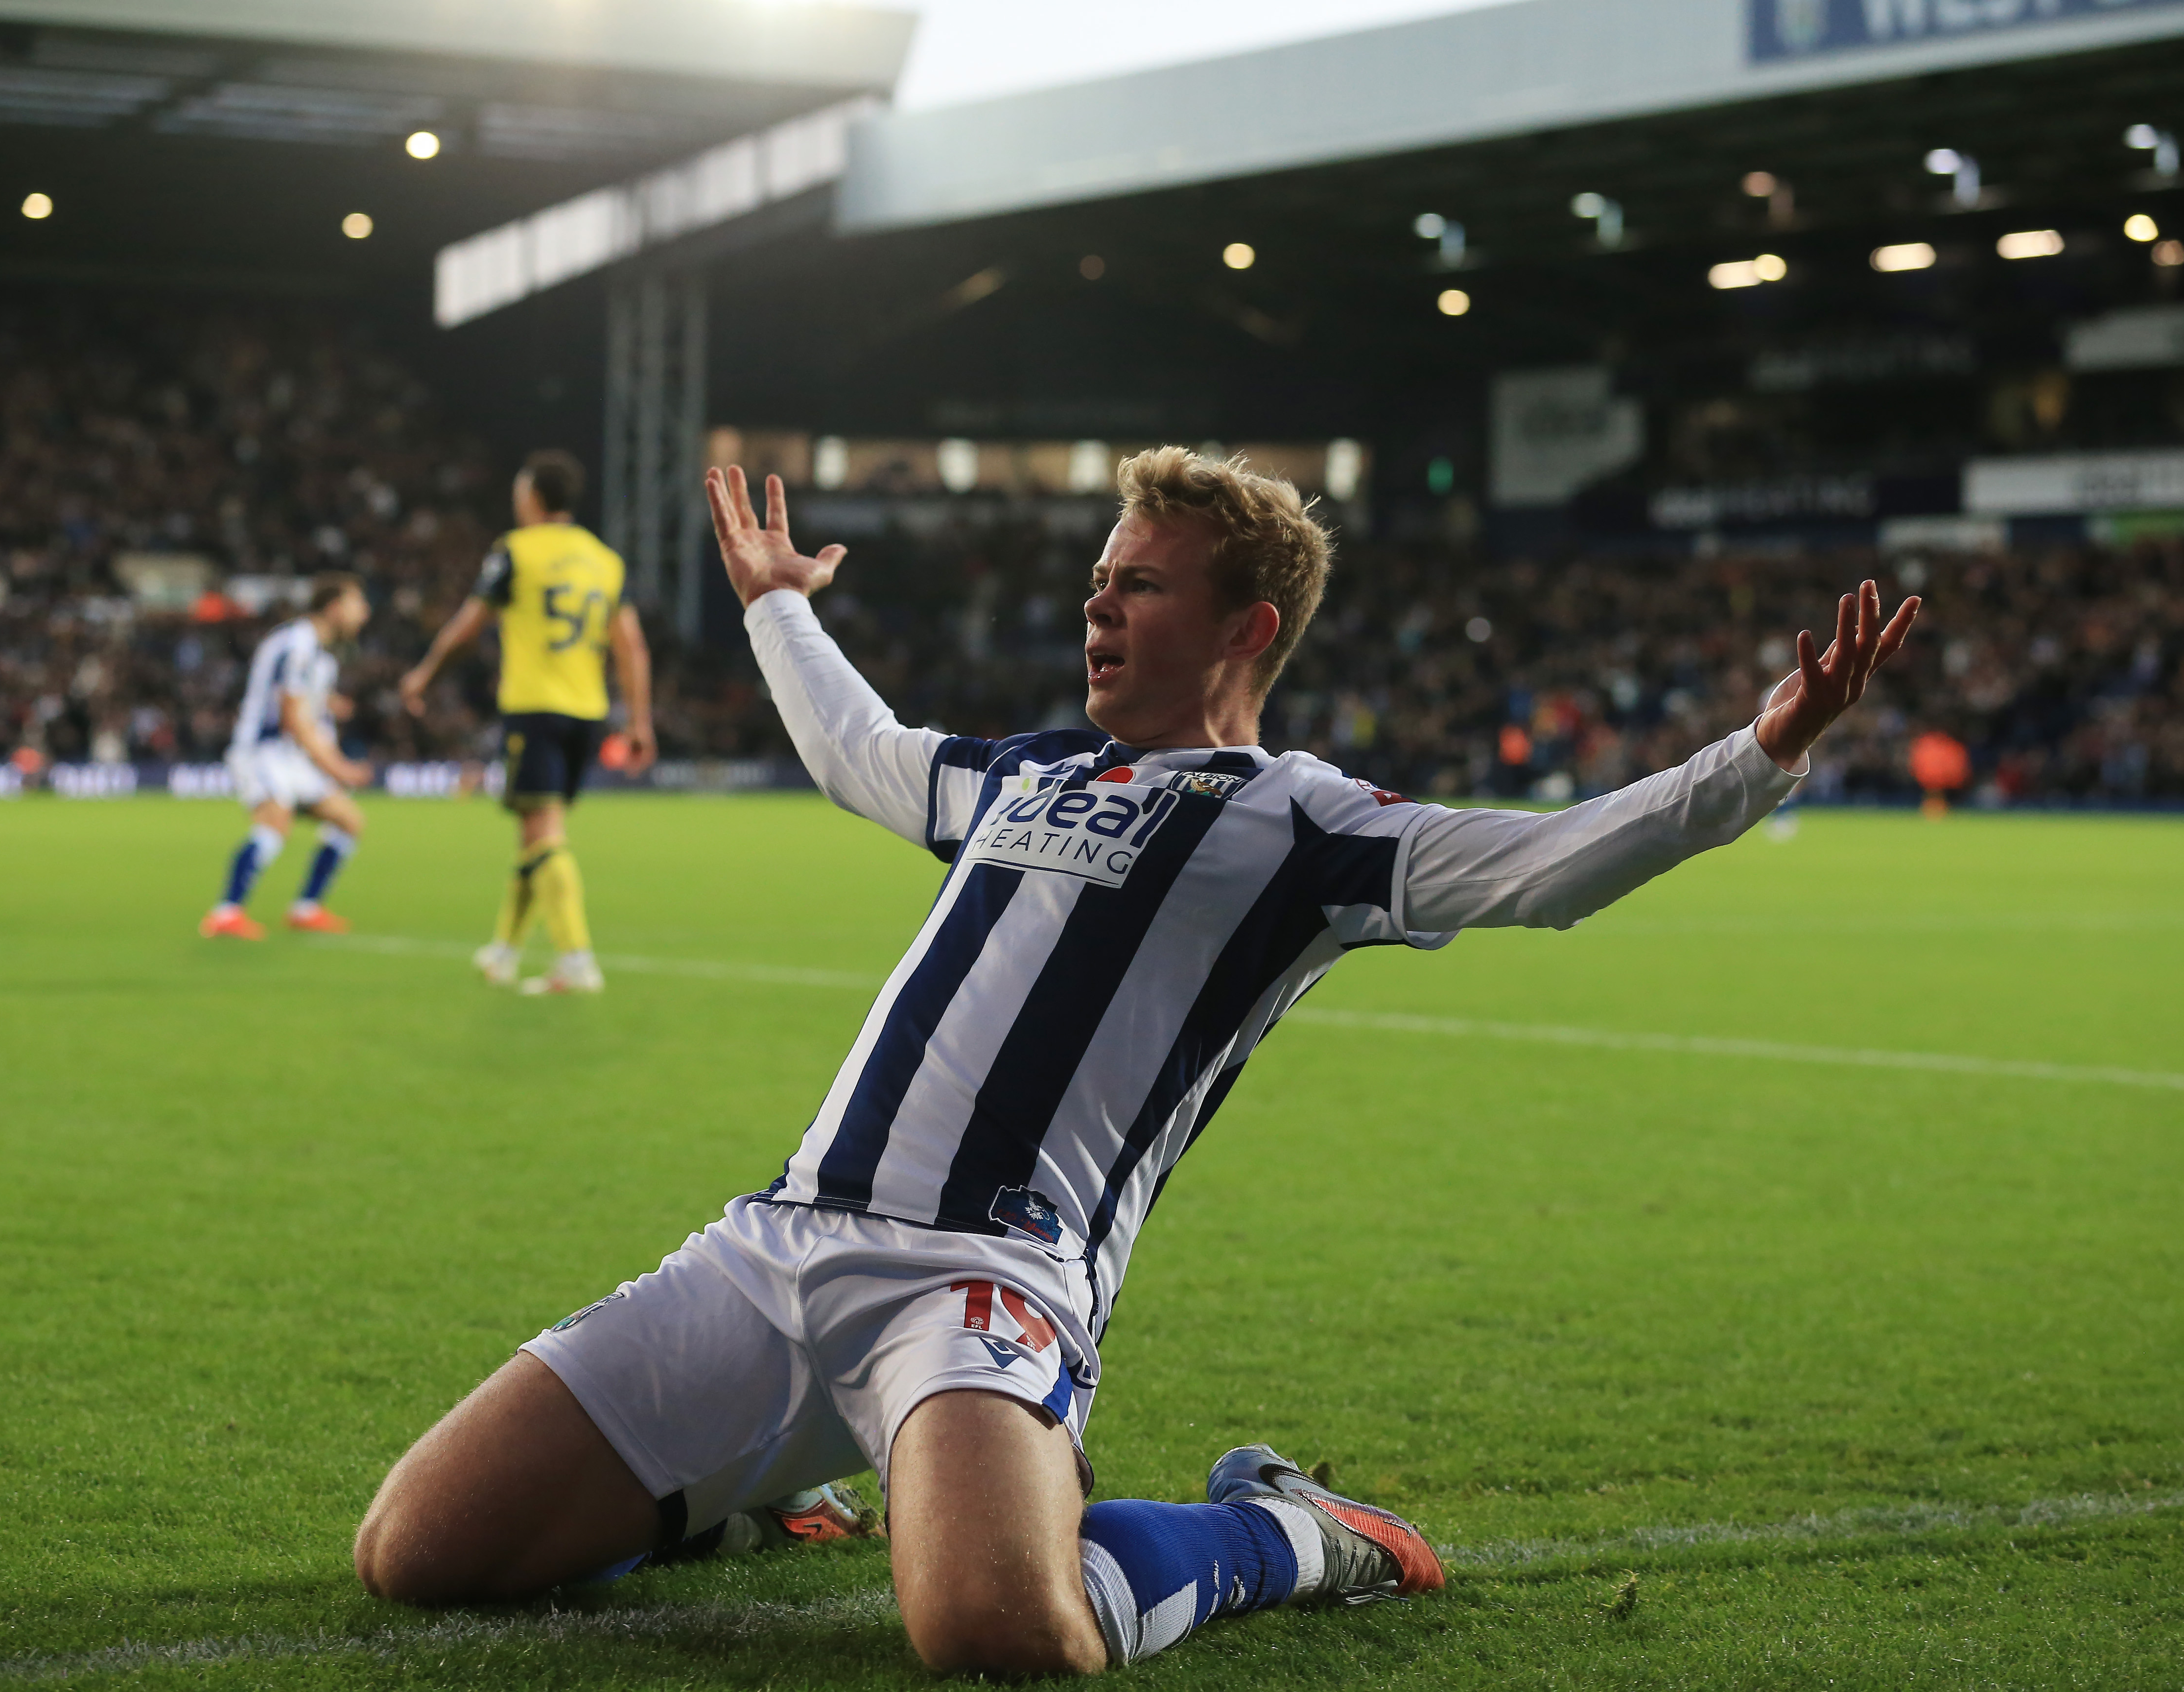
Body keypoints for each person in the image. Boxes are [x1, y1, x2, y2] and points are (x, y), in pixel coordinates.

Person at [352, 449, 1919, 1675]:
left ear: (1248, 628)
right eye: (1101, 582)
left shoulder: (1307, 826)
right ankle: (741, 1483)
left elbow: (1549, 866)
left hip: (987, 1280)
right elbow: (856, 751)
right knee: (415, 1553)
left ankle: (1278, 1530)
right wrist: (777, 601)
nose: (1098, 609)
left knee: (1004, 1635)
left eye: (1141, 588)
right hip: (780, 1243)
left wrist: (1760, 755)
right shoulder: (1023, 772)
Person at [399, 450, 655, 996]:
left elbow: (468, 628)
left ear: (532, 496)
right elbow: (630, 645)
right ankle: (505, 952)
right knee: (534, 836)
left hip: (536, 706)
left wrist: (423, 675)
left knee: (544, 835)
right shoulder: (604, 560)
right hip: (588, 712)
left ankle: (576, 960)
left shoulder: (515, 551)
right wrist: (639, 721)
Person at [200, 572, 374, 940]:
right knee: (274, 824)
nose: (365, 613)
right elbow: (292, 718)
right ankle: (226, 913)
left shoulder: (319, 653)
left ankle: (306, 909)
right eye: (357, 604)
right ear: (333, 608)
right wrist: (338, 767)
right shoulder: (298, 644)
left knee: (348, 821)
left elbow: (302, 703)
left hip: (292, 757)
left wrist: (328, 704)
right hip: (264, 751)